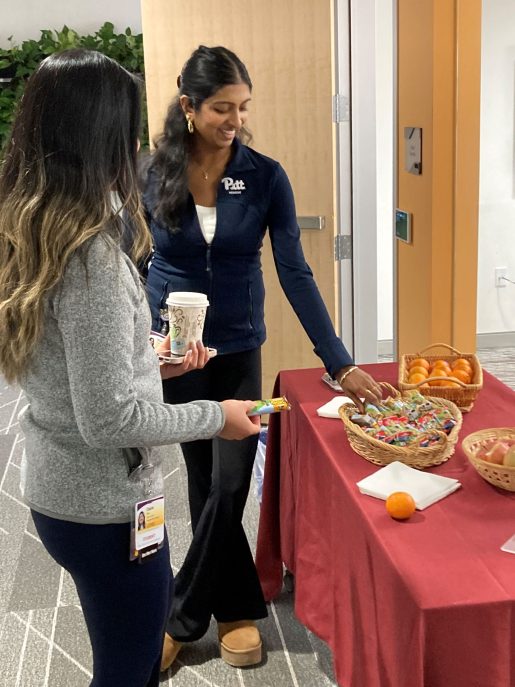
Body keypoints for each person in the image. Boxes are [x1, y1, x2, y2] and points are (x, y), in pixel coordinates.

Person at [0, 48, 260, 687]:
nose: (137, 143)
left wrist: (149, 364)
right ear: (98, 137)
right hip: (103, 508)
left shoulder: (33, 229)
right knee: (131, 666)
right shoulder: (88, 257)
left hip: (61, 493)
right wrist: (214, 416)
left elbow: (72, 372)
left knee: (122, 652)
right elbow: (109, 417)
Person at [141, 44, 383, 670]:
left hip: (239, 348)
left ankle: (179, 616)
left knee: (229, 482)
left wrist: (339, 360)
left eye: (243, 107)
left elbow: (295, 271)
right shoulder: (150, 171)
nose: (235, 119)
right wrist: (142, 337)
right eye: (222, 107)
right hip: (175, 356)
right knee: (202, 482)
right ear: (188, 104)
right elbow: (132, 264)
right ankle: (238, 609)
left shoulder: (265, 175)